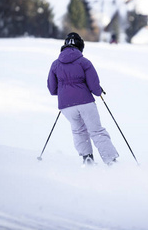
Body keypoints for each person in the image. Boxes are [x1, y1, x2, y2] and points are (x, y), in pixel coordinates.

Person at [47, 32, 119, 166]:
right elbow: (94, 85)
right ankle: (111, 160)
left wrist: (65, 92)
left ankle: (87, 159)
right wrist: (98, 92)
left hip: (66, 106)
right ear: (80, 46)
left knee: (78, 131)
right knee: (96, 131)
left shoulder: (55, 64)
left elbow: (52, 89)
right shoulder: (84, 62)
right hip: (85, 102)